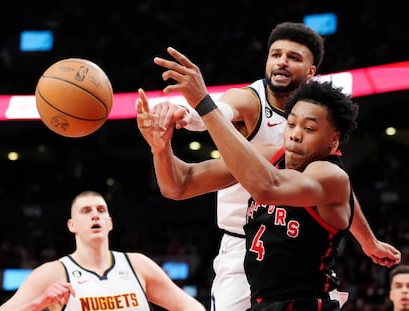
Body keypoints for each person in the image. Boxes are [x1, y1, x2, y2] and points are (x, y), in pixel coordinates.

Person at [146, 22, 401, 311]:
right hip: (243, 248)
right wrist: (163, 144)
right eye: (276, 54)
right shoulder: (253, 107)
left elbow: (277, 188)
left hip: (301, 283)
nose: (294, 133)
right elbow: (180, 183)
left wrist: (367, 241)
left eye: (293, 57)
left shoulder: (326, 166)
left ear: (310, 72)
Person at [138, 73, 362, 309]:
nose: (295, 134)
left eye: (309, 128)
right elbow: (179, 185)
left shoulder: (331, 176)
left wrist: (205, 105)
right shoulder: (270, 155)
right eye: (292, 124)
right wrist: (161, 149)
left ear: (333, 141)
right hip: (261, 303)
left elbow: (268, 187)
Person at [0, 190, 206, 311]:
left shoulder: (138, 265)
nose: (95, 215)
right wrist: (38, 303)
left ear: (110, 222)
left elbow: (192, 308)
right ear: (72, 225)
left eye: (101, 210)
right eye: (86, 211)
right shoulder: (54, 273)